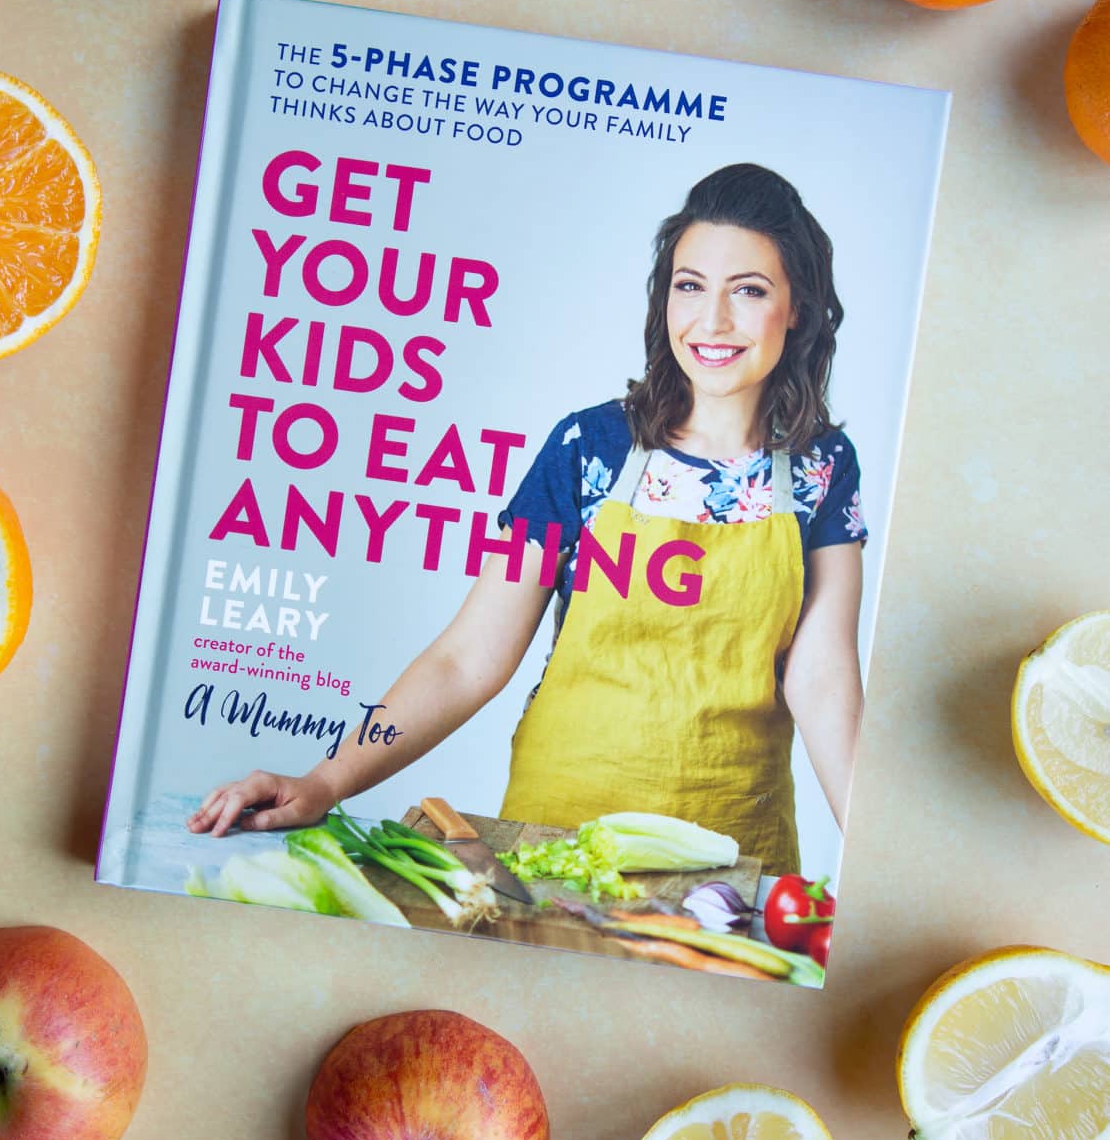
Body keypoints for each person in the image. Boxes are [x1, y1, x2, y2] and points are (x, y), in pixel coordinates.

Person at [188, 162, 866, 875]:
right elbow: (468, 658)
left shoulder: (823, 467)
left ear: (796, 307)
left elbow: (821, 676)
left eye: (749, 291)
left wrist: (874, 846)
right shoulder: (588, 450)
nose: (712, 321)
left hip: (735, 854)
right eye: (689, 286)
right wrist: (325, 780)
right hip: (557, 837)